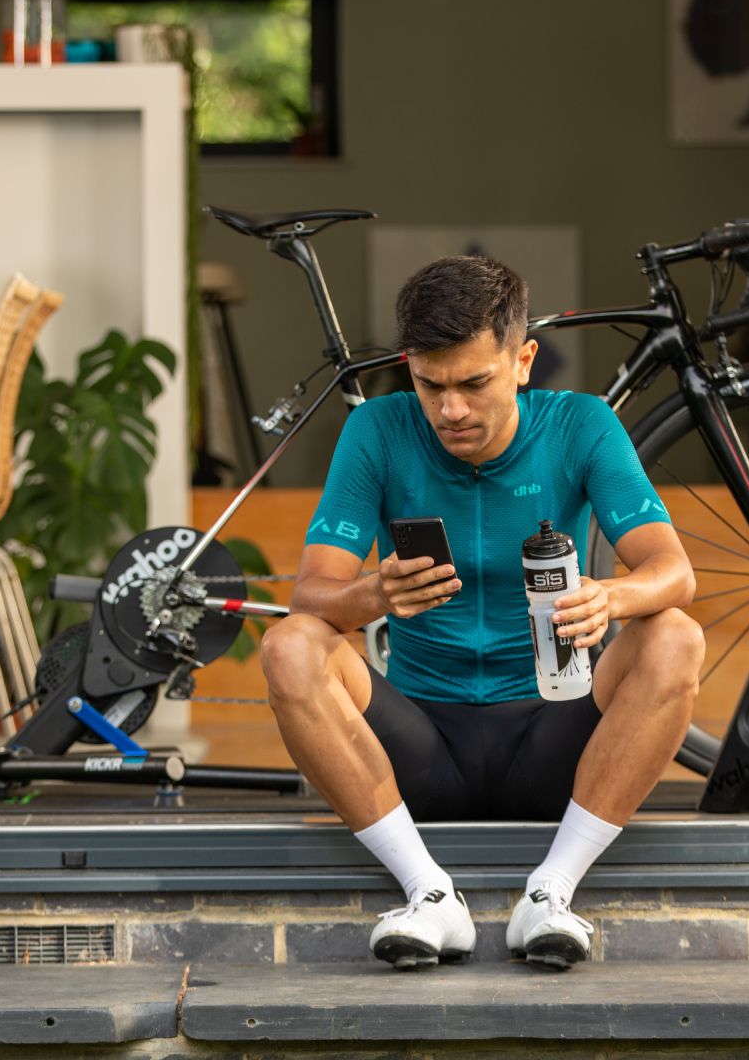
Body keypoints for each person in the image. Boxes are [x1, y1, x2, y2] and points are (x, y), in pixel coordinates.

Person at [258, 255, 702, 971]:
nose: (450, 410)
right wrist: (373, 594)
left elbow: (674, 573)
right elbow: (310, 599)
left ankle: (552, 894)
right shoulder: (378, 430)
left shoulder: (580, 425)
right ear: (409, 368)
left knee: (675, 638)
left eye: (474, 383)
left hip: (552, 730)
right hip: (420, 743)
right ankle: (428, 894)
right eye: (430, 385)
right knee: (290, 647)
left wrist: (609, 597)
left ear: (523, 360)